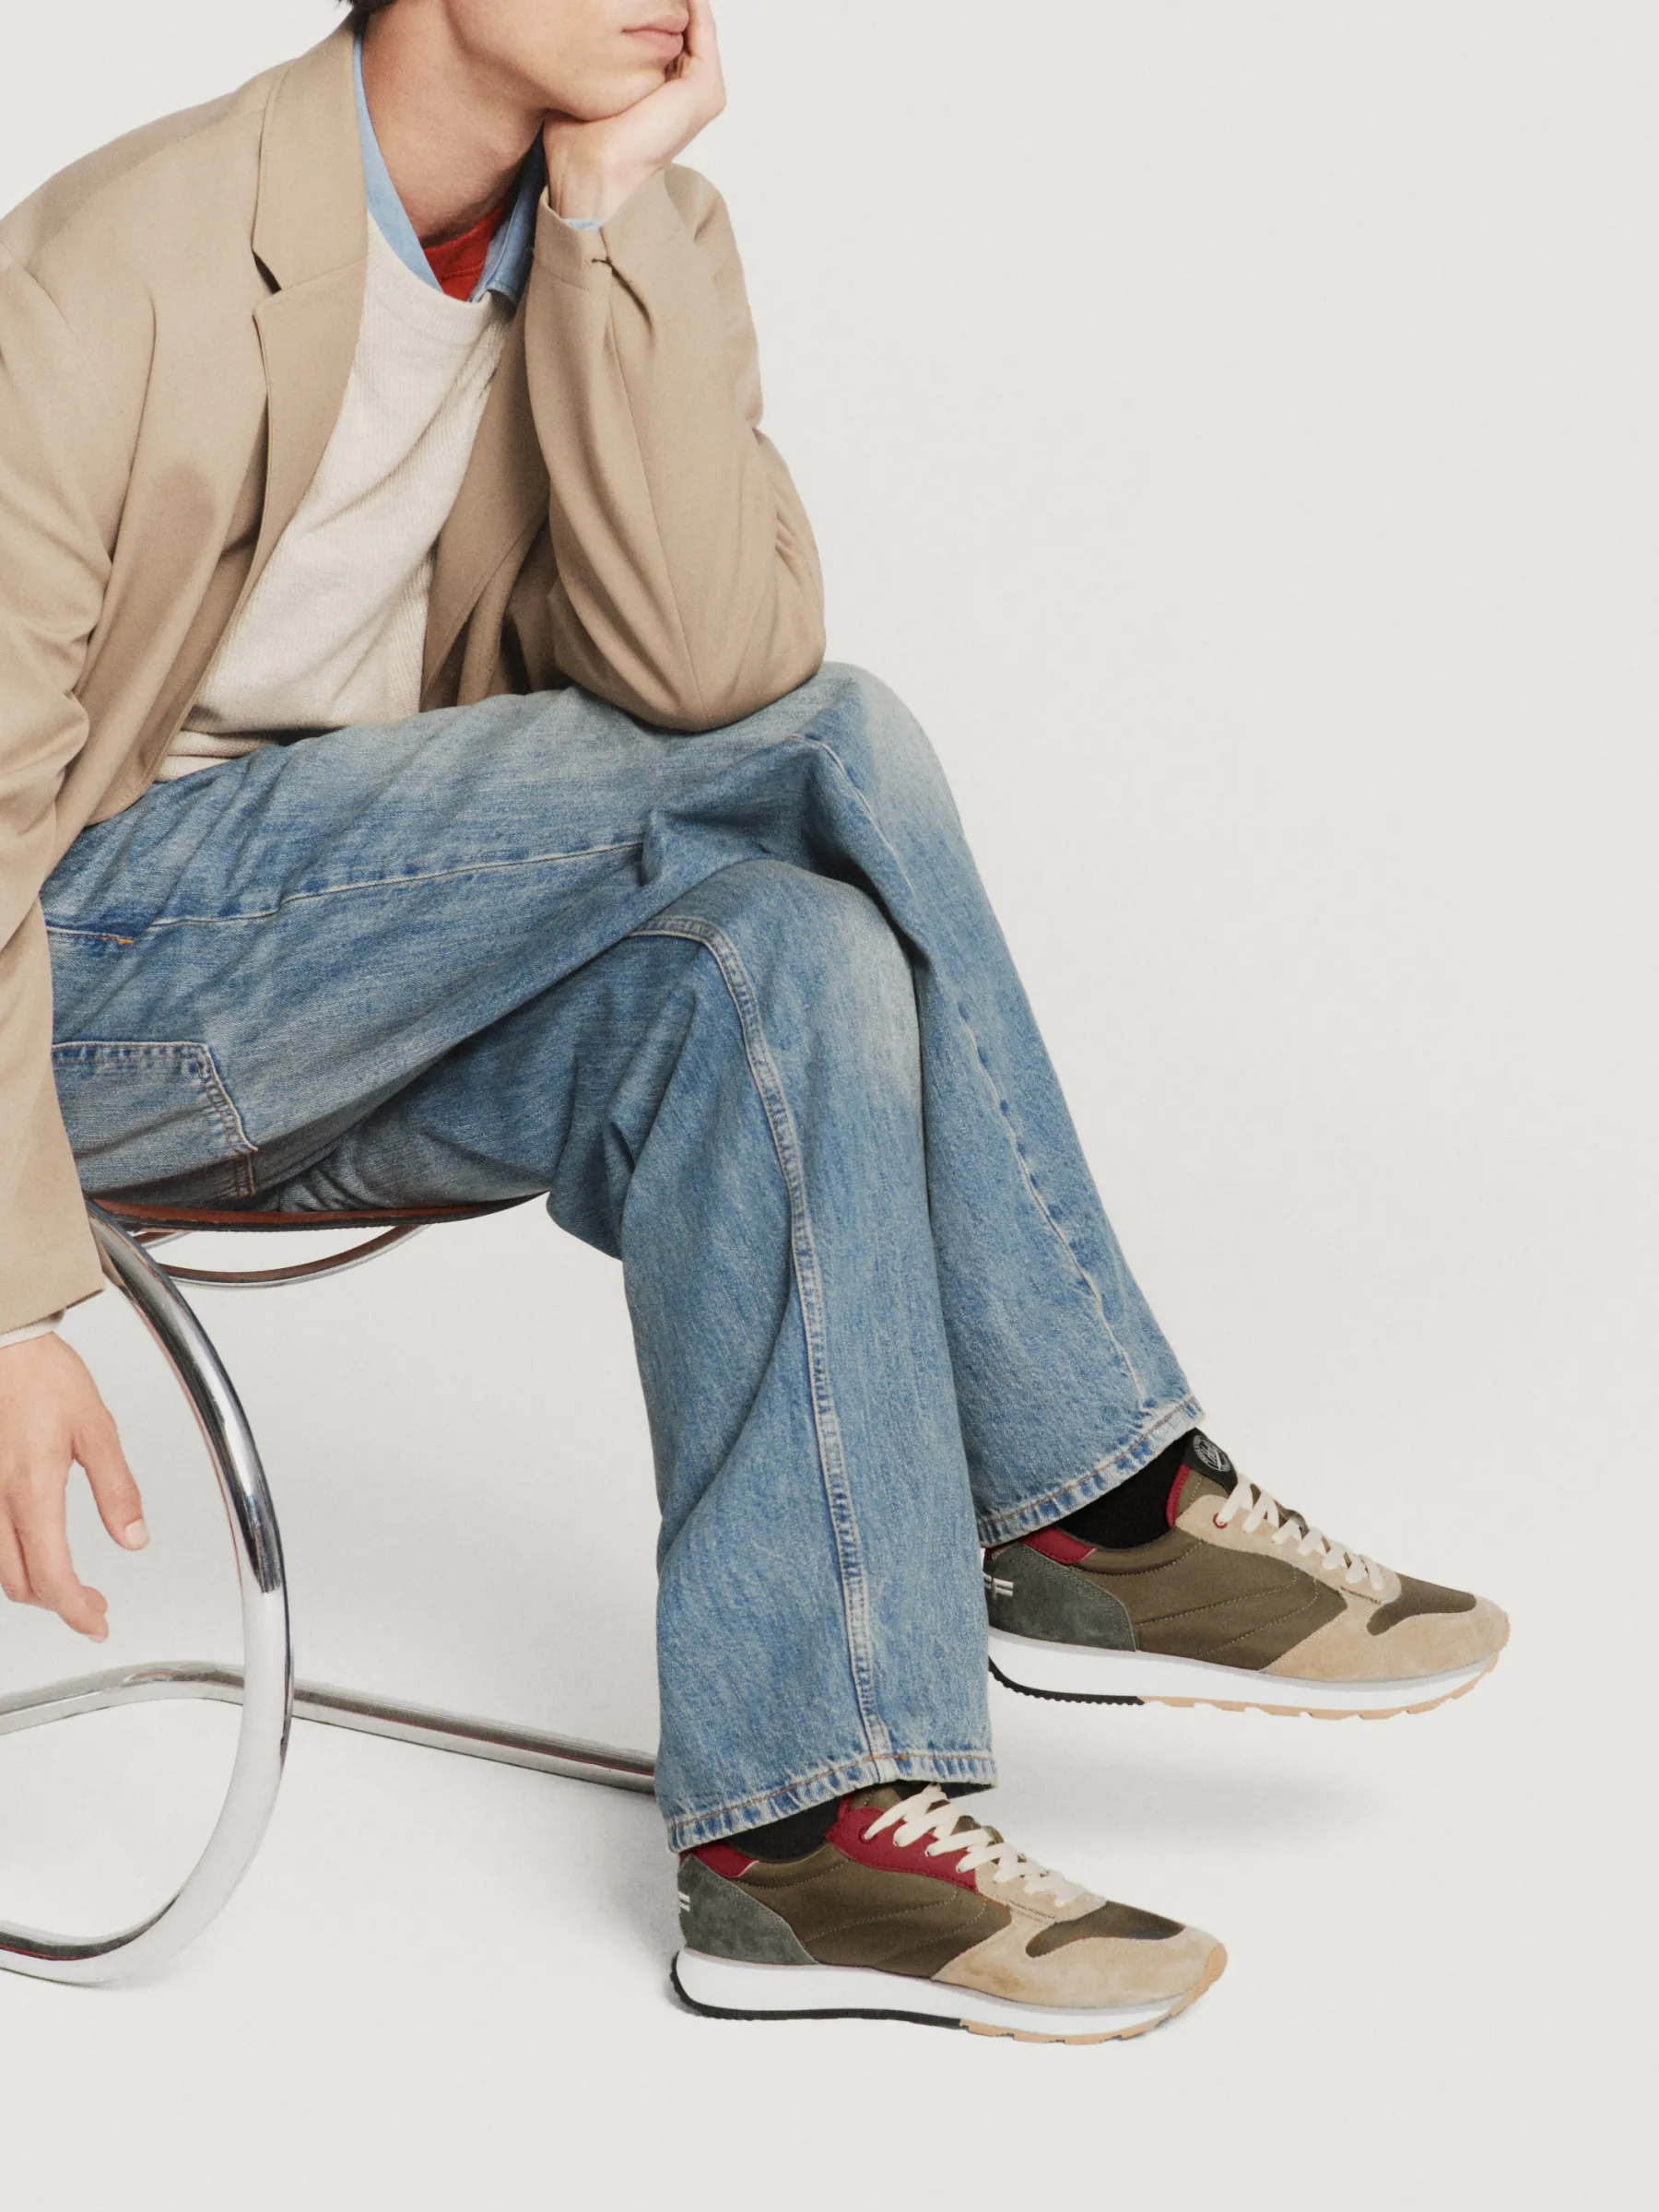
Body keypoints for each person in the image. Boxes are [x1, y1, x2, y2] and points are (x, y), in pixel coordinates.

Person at [0, 0, 1507, 2042]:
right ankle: (1099, 1501)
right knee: (840, 744)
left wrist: (604, 234)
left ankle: (810, 1834)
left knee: (783, 961)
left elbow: (717, 664)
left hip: (361, 994)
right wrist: (9, 1300)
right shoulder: (118, 258)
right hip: (87, 997)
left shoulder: (643, 236)